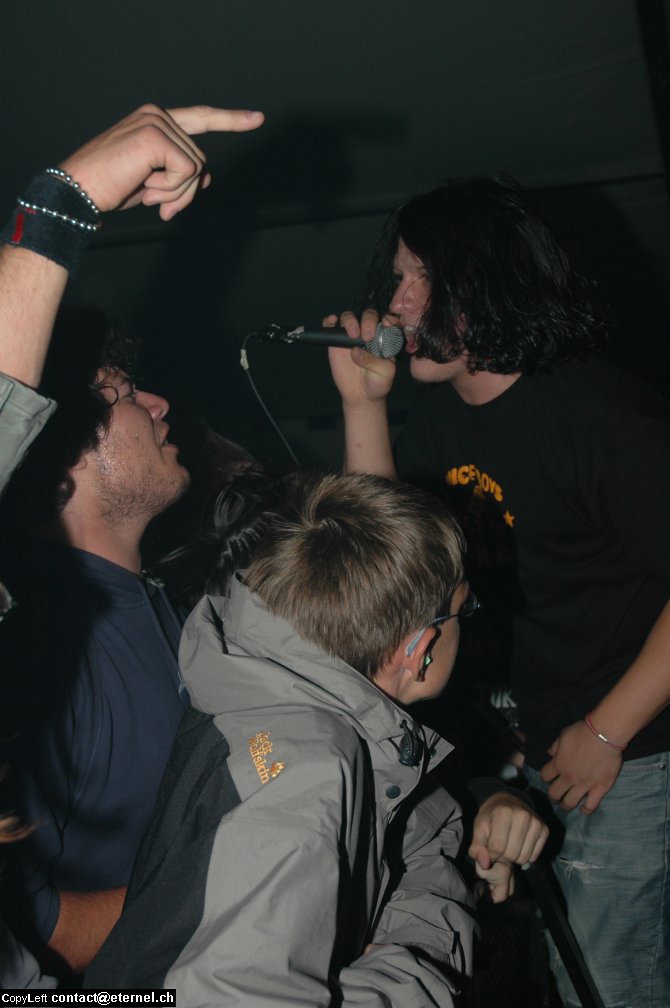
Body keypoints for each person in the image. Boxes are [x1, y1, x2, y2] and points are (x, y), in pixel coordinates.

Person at [325, 176, 670, 1008]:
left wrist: (608, 731)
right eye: (397, 278)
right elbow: (389, 575)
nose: (398, 303)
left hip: (635, 742)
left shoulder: (601, 415)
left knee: (609, 980)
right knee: (563, 968)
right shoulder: (441, 419)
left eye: (424, 278)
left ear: (490, 287)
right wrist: (362, 408)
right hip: (540, 738)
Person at [87, 469, 533, 1004]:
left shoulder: (262, 682)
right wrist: (409, 971)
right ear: (420, 649)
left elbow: (413, 823)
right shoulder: (310, 780)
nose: (468, 621)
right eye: (464, 609)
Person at [0, 102, 264, 979]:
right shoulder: (40, 644)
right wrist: (248, 886)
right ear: (59, 449)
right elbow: (38, 928)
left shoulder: (161, 604)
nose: (157, 404)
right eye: (122, 392)